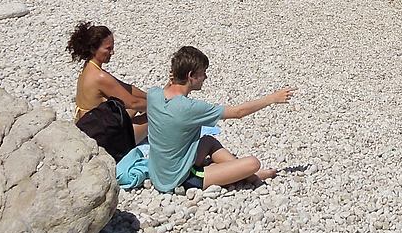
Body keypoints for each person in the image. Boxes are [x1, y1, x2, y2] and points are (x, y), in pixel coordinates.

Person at [145, 45, 288, 192]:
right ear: (190, 76)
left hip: (158, 173)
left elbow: (168, 88)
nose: (205, 77)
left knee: (208, 140)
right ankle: (252, 176)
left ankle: (245, 174)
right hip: (178, 178)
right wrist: (272, 98)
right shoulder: (190, 108)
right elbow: (238, 112)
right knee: (253, 163)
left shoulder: (153, 94)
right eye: (203, 73)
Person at [68, 22, 149, 160]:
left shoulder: (89, 68)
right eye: (108, 48)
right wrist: (160, 105)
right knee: (155, 116)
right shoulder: (100, 77)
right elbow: (133, 103)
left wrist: (150, 96)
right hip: (101, 138)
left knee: (142, 105)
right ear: (94, 49)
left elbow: (126, 88)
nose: (112, 52)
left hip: (89, 125)